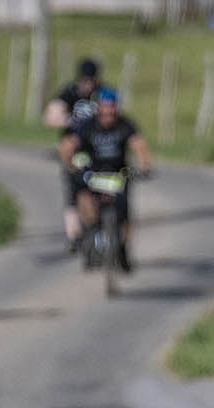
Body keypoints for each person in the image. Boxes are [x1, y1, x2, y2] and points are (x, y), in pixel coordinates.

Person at [57, 88, 153, 273]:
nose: (108, 111)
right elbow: (69, 144)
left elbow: (139, 144)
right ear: (98, 107)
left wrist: (145, 165)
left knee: (124, 214)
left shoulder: (125, 124)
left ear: (116, 107)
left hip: (117, 173)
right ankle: (90, 234)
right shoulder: (87, 125)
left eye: (111, 107)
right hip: (93, 172)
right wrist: (69, 163)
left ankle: (123, 249)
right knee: (83, 196)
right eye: (104, 107)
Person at [42, 58, 102, 249]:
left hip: (98, 147)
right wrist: (68, 121)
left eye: (91, 80)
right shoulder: (70, 93)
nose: (88, 84)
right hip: (74, 149)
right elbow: (50, 117)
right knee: (73, 187)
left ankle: (102, 224)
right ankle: (74, 234)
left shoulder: (102, 93)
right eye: (85, 79)